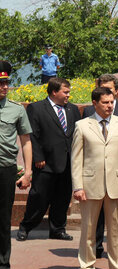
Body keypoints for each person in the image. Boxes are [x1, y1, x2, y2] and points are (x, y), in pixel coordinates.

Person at [71, 87, 118, 269]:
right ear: (94, 103)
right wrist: (78, 186)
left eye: (112, 102)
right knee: (88, 229)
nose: (110, 106)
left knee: (116, 229)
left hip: (116, 184)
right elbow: (76, 158)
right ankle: (86, 266)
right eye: (105, 102)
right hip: (90, 185)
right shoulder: (82, 125)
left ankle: (117, 267)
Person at [17, 78, 81, 242]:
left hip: (67, 163)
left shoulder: (73, 109)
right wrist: (38, 157)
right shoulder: (36, 108)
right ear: (54, 92)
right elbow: (33, 135)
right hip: (45, 163)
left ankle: (58, 230)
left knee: (62, 199)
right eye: (65, 91)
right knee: (39, 198)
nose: (68, 95)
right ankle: (26, 227)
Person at [82, 74, 118, 256]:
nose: (108, 104)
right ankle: (94, 250)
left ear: (117, 91)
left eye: (110, 91)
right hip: (94, 179)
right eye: (102, 89)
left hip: (116, 178)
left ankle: (116, 257)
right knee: (92, 223)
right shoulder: (87, 115)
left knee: (116, 224)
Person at [0, 61, 33, 269]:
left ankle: (2, 264)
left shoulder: (16, 108)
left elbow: (26, 141)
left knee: (3, 219)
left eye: (6, 83)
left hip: (5, 169)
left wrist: (28, 171)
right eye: (1, 83)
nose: (5, 87)